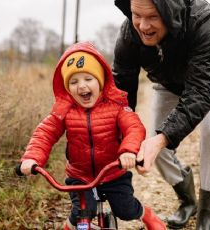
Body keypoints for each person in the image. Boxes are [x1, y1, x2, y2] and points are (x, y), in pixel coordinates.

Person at [113, 0, 210, 229]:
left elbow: (203, 88)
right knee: (155, 146)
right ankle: (188, 201)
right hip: (167, 83)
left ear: (170, 12)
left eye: (152, 17)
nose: (143, 25)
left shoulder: (204, 20)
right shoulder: (129, 32)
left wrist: (164, 137)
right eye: (136, 15)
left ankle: (207, 214)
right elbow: (122, 90)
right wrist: (120, 138)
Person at [19, 42, 166, 230]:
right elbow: (44, 133)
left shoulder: (116, 106)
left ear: (101, 80)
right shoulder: (64, 110)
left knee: (125, 210)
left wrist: (128, 151)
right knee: (82, 212)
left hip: (113, 172)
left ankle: (147, 215)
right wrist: (32, 158)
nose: (82, 86)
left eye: (88, 79)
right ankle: (68, 226)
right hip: (80, 176)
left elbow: (134, 128)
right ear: (67, 87)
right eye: (73, 82)